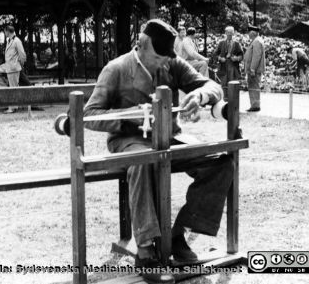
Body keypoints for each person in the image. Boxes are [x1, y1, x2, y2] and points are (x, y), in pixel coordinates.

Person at [84, 19, 233, 284]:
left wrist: (200, 97)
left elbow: (212, 86)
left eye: (167, 58)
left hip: (170, 137)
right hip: (129, 139)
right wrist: (131, 116)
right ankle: (145, 248)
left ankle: (178, 234)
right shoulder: (116, 69)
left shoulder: (171, 62)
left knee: (220, 161)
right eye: (158, 57)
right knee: (144, 162)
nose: (164, 63)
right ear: (140, 45)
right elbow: (90, 115)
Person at [0, 25, 26, 113]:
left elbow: (22, 55)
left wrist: (18, 66)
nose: (4, 33)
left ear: (7, 31)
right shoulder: (9, 40)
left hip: (13, 67)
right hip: (7, 66)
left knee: (13, 88)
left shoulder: (17, 41)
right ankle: (5, 89)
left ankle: (12, 108)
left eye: (4, 32)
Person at [214, 26, 244, 100]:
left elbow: (241, 55)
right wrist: (220, 58)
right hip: (223, 67)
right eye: (228, 33)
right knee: (223, 83)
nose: (230, 35)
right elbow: (215, 54)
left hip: (233, 67)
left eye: (231, 33)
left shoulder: (237, 44)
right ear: (225, 33)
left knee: (232, 83)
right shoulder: (221, 43)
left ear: (233, 33)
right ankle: (224, 99)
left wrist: (236, 58)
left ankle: (233, 100)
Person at [243, 24, 265, 112]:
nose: (248, 34)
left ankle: (255, 105)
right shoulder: (256, 41)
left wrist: (252, 69)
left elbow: (256, 56)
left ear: (253, 33)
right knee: (253, 86)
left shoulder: (256, 41)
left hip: (254, 70)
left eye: (249, 32)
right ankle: (254, 104)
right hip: (254, 69)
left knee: (254, 86)